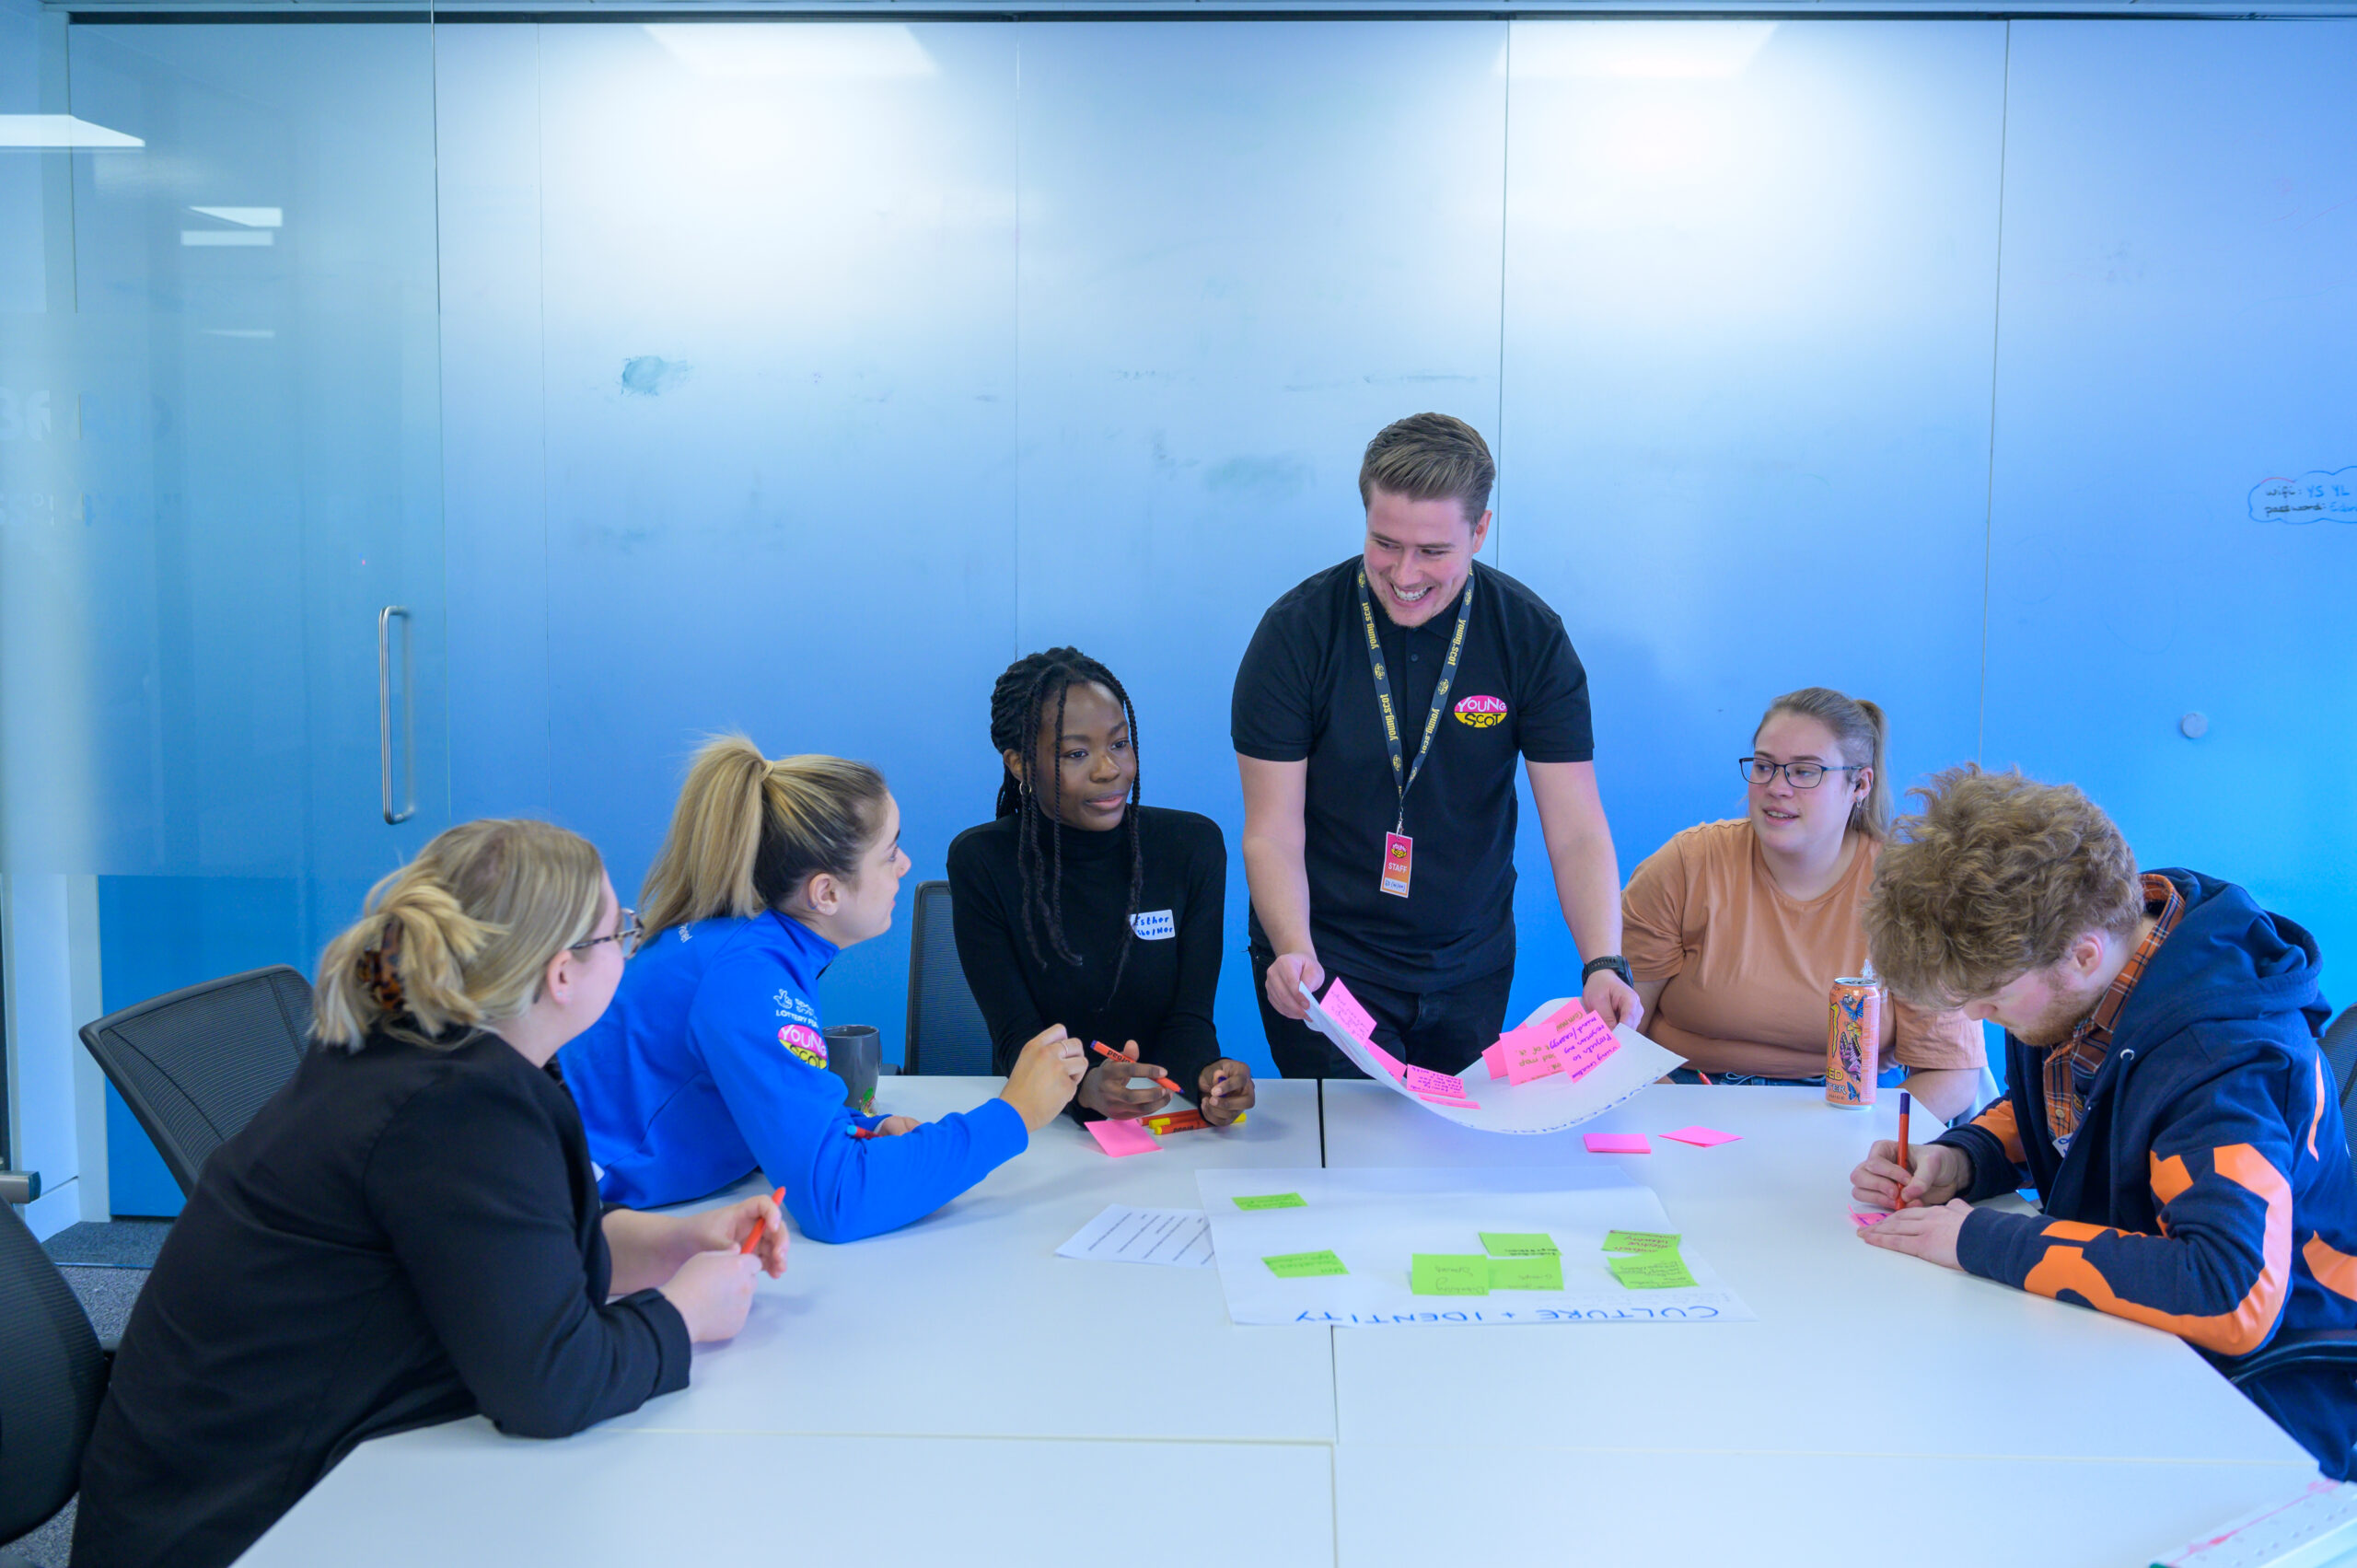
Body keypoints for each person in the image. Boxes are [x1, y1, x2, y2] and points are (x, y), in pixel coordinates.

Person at [71, 820, 784, 1568]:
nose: (630, 945)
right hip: (243, 1527)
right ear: (561, 974)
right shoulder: (457, 1105)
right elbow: (549, 1385)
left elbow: (510, 1245)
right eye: (620, 933)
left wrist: (678, 1243)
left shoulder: (423, 1043)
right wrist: (685, 1315)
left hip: (235, 1474)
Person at [1848, 766, 2357, 1480]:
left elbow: (2231, 1291)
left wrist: (1979, 1236)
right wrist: (1966, 1157)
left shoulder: (2221, 1063)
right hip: (2132, 1340)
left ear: (2083, 955)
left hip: (2267, 1393)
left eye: (1989, 999)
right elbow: (2091, 1110)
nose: (1972, 1017)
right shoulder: (2097, 967)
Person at [1233, 412, 1637, 1079]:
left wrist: (1602, 960)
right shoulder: (1295, 634)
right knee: (1356, 1157)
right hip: (1330, 959)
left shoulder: (1529, 636)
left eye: (1433, 551)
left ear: (1480, 530)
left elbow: (1576, 829)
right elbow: (1271, 830)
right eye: (1384, 543)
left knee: (1449, 1154)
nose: (1404, 573)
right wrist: (1293, 948)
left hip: (1469, 961)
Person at [563, 737, 1084, 1242]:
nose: (903, 865)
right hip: (565, 1216)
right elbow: (836, 1200)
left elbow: (764, 1094)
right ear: (827, 893)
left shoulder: (753, 947)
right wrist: (1014, 1114)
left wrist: (855, 1128)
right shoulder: (748, 977)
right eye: (890, 851)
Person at [1620, 687, 1984, 1121]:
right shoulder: (1684, 865)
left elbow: (1951, 1074)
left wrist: (1864, 1146)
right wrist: (1677, 1118)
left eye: (1805, 772)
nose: (1776, 787)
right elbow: (1620, 1035)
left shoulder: (1912, 891)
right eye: (1764, 766)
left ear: (1859, 784)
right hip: (1686, 1097)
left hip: (1852, 1112)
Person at [949, 648, 1256, 1125]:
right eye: (1076, 753)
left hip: (1160, 1121)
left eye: (1119, 743)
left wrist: (1208, 1081)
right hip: (1040, 1122)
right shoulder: (983, 862)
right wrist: (1086, 1088)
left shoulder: (1191, 848)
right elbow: (1017, 1037)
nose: (1108, 769)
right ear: (1020, 765)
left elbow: (1188, 1021)